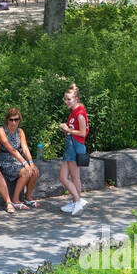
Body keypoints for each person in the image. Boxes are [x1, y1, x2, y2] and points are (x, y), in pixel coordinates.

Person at [0, 108, 40, 207]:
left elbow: (25, 148)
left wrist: (31, 163)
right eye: (11, 119)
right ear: (7, 120)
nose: (14, 122)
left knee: (35, 170)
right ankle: (15, 200)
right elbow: (11, 149)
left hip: (17, 159)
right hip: (4, 160)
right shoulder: (1, 131)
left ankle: (27, 197)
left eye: (16, 119)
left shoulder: (20, 131)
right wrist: (25, 164)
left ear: (20, 120)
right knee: (26, 172)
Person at [58, 85, 89, 215]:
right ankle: (77, 201)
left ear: (76, 99)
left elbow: (83, 133)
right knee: (63, 177)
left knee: (75, 177)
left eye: (69, 99)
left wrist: (68, 130)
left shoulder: (80, 113)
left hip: (75, 146)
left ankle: (77, 201)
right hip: (70, 146)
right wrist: (66, 129)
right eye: (65, 99)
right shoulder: (73, 111)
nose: (66, 101)